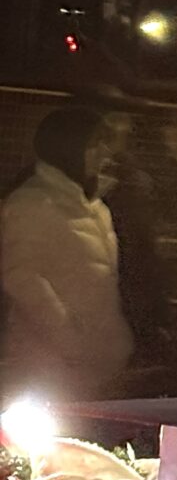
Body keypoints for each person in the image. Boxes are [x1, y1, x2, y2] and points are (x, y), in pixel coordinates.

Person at [1, 104, 136, 398]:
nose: (104, 153)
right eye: (93, 144)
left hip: (99, 366)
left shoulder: (97, 209)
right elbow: (21, 278)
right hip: (50, 367)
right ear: (67, 146)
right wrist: (70, 337)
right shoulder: (33, 203)